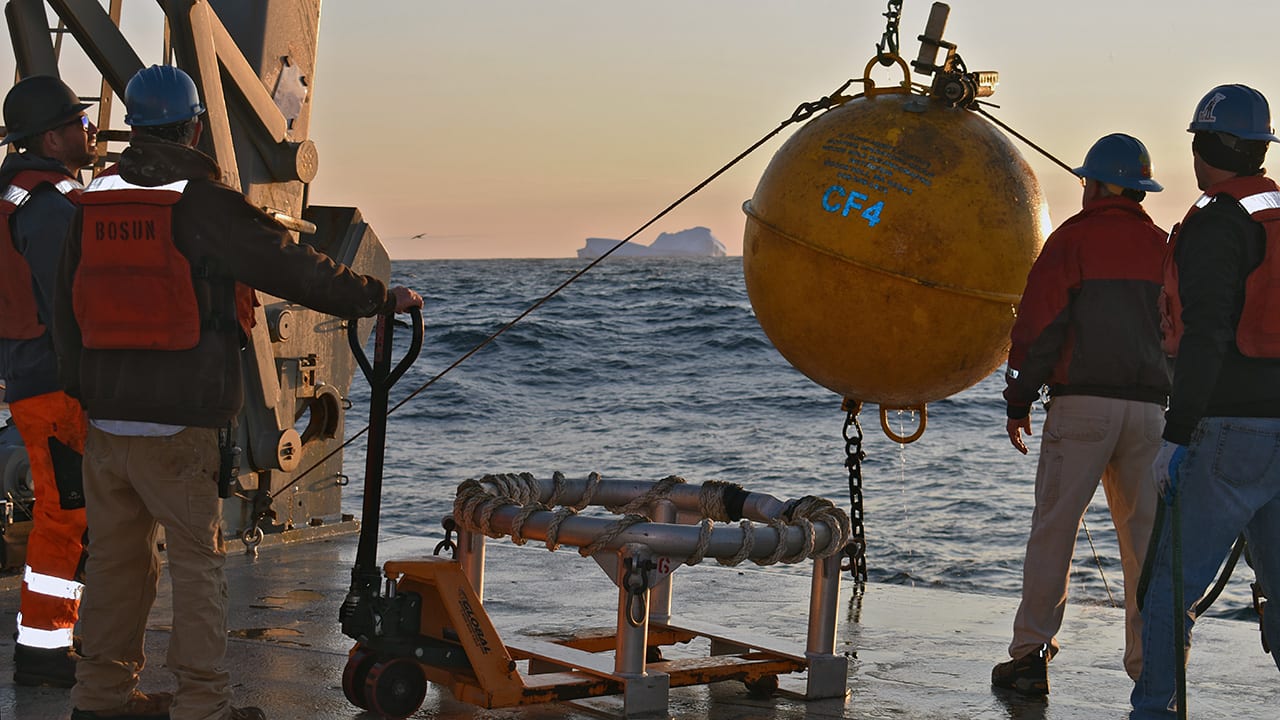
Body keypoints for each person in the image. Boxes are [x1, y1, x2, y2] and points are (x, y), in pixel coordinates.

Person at [53, 65, 423, 720]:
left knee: (114, 568)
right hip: (177, 424)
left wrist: (83, 389)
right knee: (197, 566)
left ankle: (100, 699)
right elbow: (285, 262)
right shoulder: (199, 200)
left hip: (107, 425)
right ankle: (202, 706)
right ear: (194, 126)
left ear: (135, 126)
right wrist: (374, 296)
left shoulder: (96, 196)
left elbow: (64, 304)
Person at [992, 133, 1171, 696]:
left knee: (1055, 532)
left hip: (1081, 408)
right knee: (1146, 546)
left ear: (1097, 184)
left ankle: (1029, 660)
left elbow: (1038, 327)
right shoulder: (1166, 247)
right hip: (1152, 415)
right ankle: (1154, 672)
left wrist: (1017, 398)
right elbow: (1182, 335)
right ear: (1139, 188)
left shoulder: (1071, 240)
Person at [1132, 84, 1280, 719]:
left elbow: (1208, 333)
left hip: (1230, 430)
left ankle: (1154, 712)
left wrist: (1176, 432)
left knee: (1169, 589)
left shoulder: (1219, 223)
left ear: (1202, 147)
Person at [0, 75, 98, 688]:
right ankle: (43, 648)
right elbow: (72, 299)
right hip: (53, 381)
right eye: (77, 124)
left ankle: (50, 636)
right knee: (67, 515)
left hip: (26, 372)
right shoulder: (50, 208)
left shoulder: (15, 193)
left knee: (63, 510)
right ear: (51, 138)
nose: (88, 131)